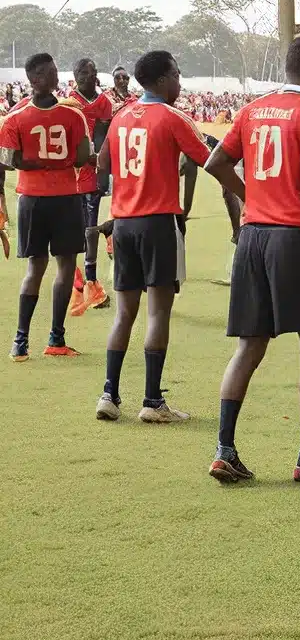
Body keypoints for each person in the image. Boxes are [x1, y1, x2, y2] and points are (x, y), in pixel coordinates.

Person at [205, 36, 300, 483]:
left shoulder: (252, 109)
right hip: (298, 239)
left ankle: (224, 450)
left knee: (248, 347)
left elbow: (216, 163)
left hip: (253, 237)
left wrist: (255, 196)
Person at [94, 51, 244, 424]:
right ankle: (152, 401)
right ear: (162, 80)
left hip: (123, 224)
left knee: (123, 313)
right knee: (158, 311)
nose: (180, 82)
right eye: (176, 74)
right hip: (159, 222)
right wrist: (248, 194)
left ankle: (109, 394)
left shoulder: (122, 115)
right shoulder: (174, 116)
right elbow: (211, 161)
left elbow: (102, 163)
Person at [0, 53, 91, 360]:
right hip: (65, 197)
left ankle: (20, 341)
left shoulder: (14, 117)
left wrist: (35, 162)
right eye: (51, 73)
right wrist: (59, 161)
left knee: (34, 268)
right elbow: (81, 157)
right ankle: (56, 338)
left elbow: (7, 161)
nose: (56, 77)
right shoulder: (74, 116)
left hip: (31, 199)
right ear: (36, 79)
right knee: (64, 267)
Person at [67, 58, 113, 316]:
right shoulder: (69, 102)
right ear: (75, 75)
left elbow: (103, 136)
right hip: (69, 172)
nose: (87, 76)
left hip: (91, 171)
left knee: (90, 227)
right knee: (75, 227)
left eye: (91, 71)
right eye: (82, 72)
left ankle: (90, 279)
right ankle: (79, 279)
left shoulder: (103, 102)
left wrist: (99, 165)